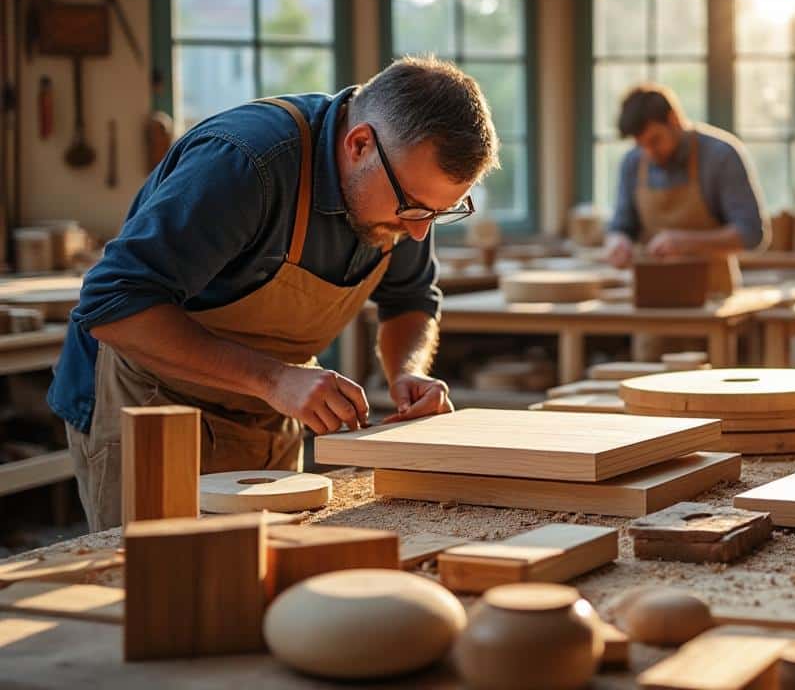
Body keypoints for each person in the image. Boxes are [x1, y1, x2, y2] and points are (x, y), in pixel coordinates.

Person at [49, 56, 499, 531]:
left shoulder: (405, 194)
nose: (419, 231)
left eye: (441, 212)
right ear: (360, 144)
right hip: (151, 407)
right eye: (412, 208)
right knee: (156, 587)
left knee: (265, 581)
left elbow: (410, 299)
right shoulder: (246, 164)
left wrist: (406, 372)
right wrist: (274, 380)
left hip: (268, 407)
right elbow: (110, 304)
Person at [603, 84, 768, 295]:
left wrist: (685, 242)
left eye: (655, 141)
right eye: (641, 145)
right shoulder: (633, 162)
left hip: (711, 297)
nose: (649, 153)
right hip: (650, 297)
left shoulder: (720, 156)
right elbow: (622, 225)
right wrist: (617, 240)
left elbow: (751, 234)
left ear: (673, 120)